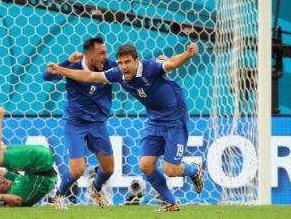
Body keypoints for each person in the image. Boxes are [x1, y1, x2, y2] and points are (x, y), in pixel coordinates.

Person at [47, 43, 204, 212]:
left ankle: (194, 169)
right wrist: (62, 70)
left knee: (171, 170)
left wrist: (188, 54)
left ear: (136, 61)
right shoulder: (117, 74)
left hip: (175, 120)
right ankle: (171, 203)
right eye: (120, 63)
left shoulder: (150, 68)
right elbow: (91, 76)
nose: (123, 67)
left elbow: (172, 63)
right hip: (154, 120)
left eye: (127, 62)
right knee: (145, 166)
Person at [42, 36, 117, 209]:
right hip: (75, 124)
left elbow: (132, 69)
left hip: (98, 123)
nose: (106, 56)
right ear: (89, 55)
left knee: (108, 169)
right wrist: (66, 61)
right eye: (102, 53)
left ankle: (96, 188)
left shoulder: (109, 66)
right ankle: (59, 196)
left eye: (106, 52)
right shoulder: (74, 66)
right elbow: (47, 75)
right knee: (77, 170)